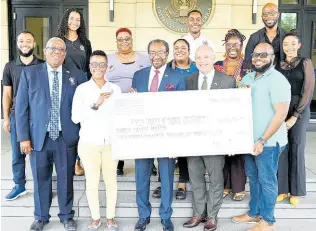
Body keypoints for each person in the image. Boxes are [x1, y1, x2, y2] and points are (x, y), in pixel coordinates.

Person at [15, 37, 87, 231]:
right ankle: (41, 216)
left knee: (66, 179)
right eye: (53, 49)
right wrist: (23, 137)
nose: (57, 52)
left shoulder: (78, 76)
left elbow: (84, 108)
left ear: (65, 54)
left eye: (61, 50)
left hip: (66, 137)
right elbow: (21, 108)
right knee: (40, 178)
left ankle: (66, 216)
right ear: (45, 51)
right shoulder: (30, 74)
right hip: (39, 137)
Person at [232, 43, 291, 231]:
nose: (258, 58)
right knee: (254, 178)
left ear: (272, 57)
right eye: (255, 55)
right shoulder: (247, 78)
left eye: (263, 55)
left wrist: (262, 140)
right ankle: (254, 212)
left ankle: (268, 221)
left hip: (268, 143)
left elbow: (281, 115)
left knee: (267, 180)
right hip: (248, 140)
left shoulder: (278, 80)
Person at [131, 39, 185, 231]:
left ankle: (165, 216)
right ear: (148, 54)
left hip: (166, 137)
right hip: (142, 137)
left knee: (167, 178)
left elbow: (181, 110)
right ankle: (143, 216)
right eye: (152, 52)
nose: (156, 56)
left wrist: (176, 141)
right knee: (141, 177)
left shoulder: (178, 77)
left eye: (160, 52)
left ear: (167, 54)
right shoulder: (138, 76)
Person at [183, 41, 235, 231]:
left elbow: (232, 113)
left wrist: (230, 140)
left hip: (216, 139)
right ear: (194, 60)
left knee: (215, 179)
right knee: (195, 177)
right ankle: (198, 213)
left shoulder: (228, 81)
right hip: (194, 139)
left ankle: (212, 215)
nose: (202, 60)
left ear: (214, 59)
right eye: (198, 57)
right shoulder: (189, 80)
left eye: (206, 57)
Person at [72, 50, 121, 231]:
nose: (98, 68)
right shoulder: (82, 89)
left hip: (110, 143)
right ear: (90, 66)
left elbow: (120, 115)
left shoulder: (115, 89)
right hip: (89, 143)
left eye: (102, 64)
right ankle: (95, 218)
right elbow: (75, 117)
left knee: (111, 182)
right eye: (94, 64)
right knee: (91, 182)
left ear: (107, 66)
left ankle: (110, 218)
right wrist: (95, 104)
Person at [152, 38, 198, 200]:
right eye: (176, 47)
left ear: (189, 51)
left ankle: (182, 184)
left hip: (188, 115)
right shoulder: (165, 68)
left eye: (183, 47)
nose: (179, 50)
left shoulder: (196, 68)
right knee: (163, 151)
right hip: (166, 117)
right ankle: (163, 182)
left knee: (183, 151)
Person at [2, 30, 44, 201]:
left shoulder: (42, 65)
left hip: (38, 117)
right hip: (17, 117)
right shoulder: (10, 66)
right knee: (17, 154)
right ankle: (19, 185)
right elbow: (6, 94)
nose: (25, 44)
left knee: (39, 153)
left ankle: (42, 187)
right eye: (21, 41)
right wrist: (6, 118)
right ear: (17, 43)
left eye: (28, 41)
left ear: (34, 44)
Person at [106, 27, 153, 176]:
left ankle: (148, 163)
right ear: (116, 42)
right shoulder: (108, 59)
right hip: (116, 103)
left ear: (132, 40)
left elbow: (151, 77)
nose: (124, 42)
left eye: (127, 38)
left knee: (142, 133)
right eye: (120, 39)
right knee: (118, 132)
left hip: (139, 103)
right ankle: (119, 162)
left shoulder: (144, 58)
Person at [276, 31, 315, 205]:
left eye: (293, 44)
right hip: (281, 109)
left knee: (297, 147)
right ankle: (282, 189)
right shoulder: (278, 64)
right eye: (286, 44)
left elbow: (308, 90)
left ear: (299, 45)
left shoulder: (305, 62)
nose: (289, 47)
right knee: (282, 148)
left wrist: (295, 116)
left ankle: (296, 191)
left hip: (300, 109)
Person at [57, 8, 92, 176]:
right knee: (66, 122)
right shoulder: (59, 41)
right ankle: (65, 159)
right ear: (66, 19)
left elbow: (89, 66)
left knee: (81, 123)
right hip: (64, 86)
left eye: (78, 19)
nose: (74, 22)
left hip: (82, 86)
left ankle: (78, 161)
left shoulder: (85, 42)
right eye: (72, 18)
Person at [214, 29, 248, 201]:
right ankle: (225, 185)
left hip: (241, 114)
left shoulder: (249, 65)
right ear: (225, 47)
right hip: (220, 113)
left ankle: (238, 187)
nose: (233, 47)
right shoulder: (217, 65)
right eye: (229, 44)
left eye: (236, 44)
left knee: (237, 152)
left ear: (241, 46)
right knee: (222, 151)